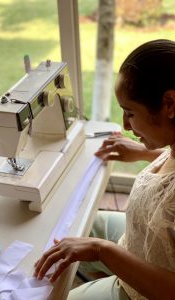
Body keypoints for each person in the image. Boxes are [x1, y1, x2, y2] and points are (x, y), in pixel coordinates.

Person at [33, 39, 175, 300]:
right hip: (141, 237)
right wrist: (146, 153)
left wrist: (102, 251)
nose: (126, 126)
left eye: (129, 113)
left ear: (170, 104)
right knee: (74, 226)